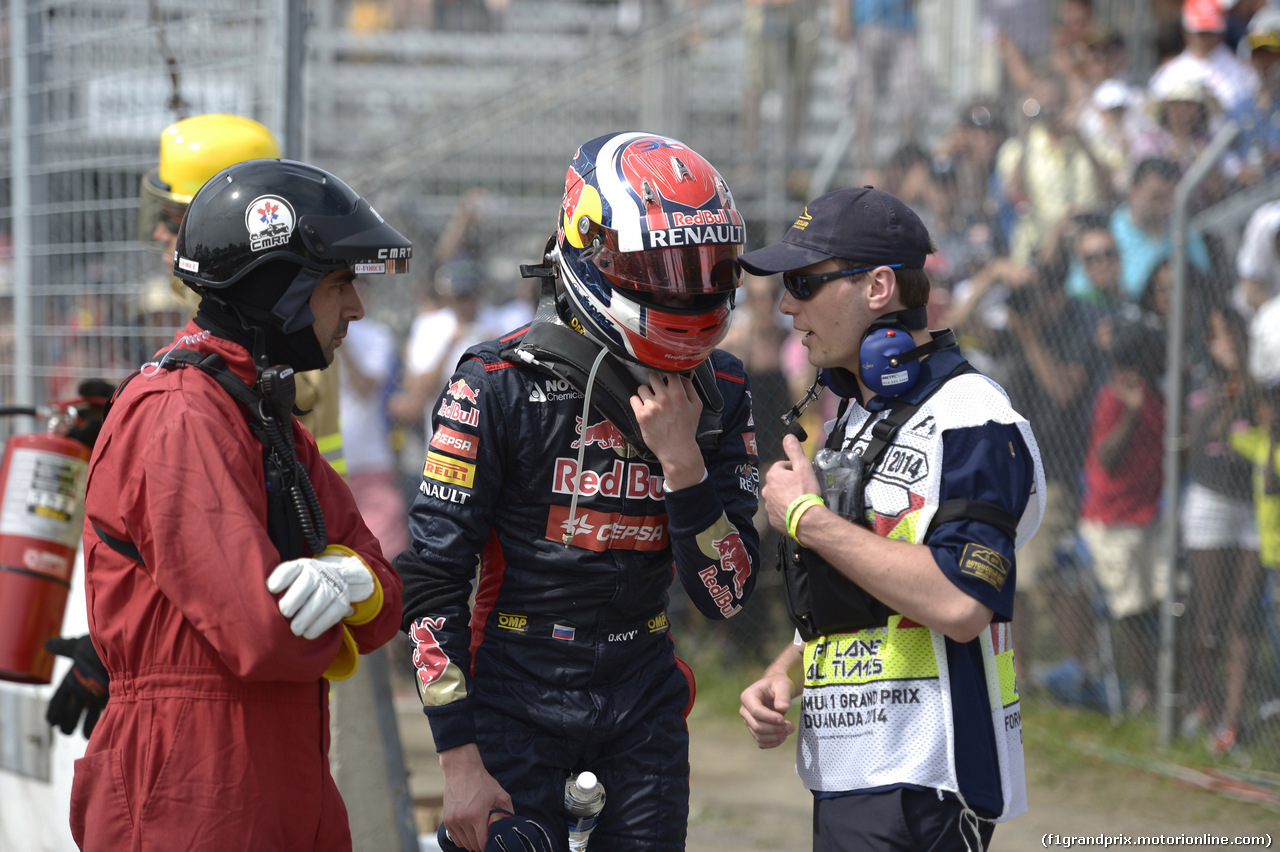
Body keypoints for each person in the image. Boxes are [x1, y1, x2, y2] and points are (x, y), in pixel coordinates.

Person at [397, 131, 761, 852]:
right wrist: (458, 760)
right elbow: (434, 580)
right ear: (590, 247)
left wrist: (682, 465)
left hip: (644, 691)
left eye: (701, 266)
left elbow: (728, 597)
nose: (685, 287)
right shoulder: (496, 383)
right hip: (513, 689)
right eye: (660, 266)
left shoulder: (722, 390)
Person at [69, 158, 409, 850]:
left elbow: (386, 595)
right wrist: (352, 592)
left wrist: (353, 583)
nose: (356, 308)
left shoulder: (255, 408)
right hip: (193, 790)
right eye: (339, 282)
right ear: (276, 284)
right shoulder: (181, 414)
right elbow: (262, 633)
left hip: (278, 776)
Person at [737, 187, 1045, 851]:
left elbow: (962, 601)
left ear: (878, 286)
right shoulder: (853, 418)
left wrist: (807, 519)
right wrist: (784, 670)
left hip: (929, 780)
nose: (787, 305)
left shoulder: (973, 417)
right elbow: (869, 585)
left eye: (803, 283)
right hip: (850, 769)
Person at [41, 113, 312, 741]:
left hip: (281, 620)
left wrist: (114, 645)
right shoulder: (246, 334)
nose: (162, 232)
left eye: (178, 215)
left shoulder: (274, 346)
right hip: (255, 609)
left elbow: (219, 523)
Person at [1077, 320, 1168, 716]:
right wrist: (1130, 414)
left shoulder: (1159, 395)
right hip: (1111, 519)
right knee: (1131, 606)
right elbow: (1107, 459)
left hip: (1149, 513)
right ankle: (1150, 692)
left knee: (1167, 598)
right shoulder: (1113, 398)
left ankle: (1171, 688)